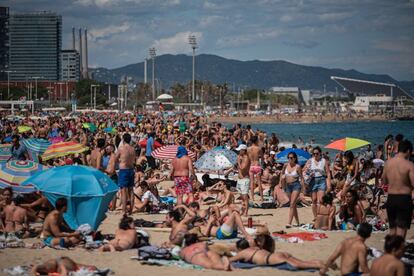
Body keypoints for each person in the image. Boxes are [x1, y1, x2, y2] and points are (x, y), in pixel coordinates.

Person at [229, 234, 324, 269]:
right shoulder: (256, 249)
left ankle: (318, 265)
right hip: (277, 255)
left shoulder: (244, 252)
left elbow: (230, 260)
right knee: (303, 262)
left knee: (298, 265)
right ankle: (318, 262)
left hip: (272, 258)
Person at [382, 139, 414, 239]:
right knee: (401, 229)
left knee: (392, 229)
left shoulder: (388, 163)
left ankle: (391, 252)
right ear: (408, 151)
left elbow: (384, 181)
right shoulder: (409, 165)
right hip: (404, 198)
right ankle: (398, 251)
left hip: (391, 198)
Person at [304, 146, 331, 219]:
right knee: (314, 200)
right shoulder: (310, 160)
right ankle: (315, 217)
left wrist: (329, 183)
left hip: (322, 180)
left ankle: (319, 216)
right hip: (312, 181)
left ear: (320, 153)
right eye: (314, 154)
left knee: (321, 200)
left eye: (317, 153)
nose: (315, 155)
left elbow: (328, 173)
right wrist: (309, 174)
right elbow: (304, 171)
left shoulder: (324, 161)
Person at [280, 151, 305, 228]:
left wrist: (303, 190)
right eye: (288, 158)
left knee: (292, 204)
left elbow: (301, 178)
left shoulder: (298, 167)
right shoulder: (285, 165)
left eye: (291, 158)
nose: (289, 159)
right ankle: (297, 222)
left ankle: (289, 223)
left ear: (295, 158)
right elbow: (282, 174)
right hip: (288, 186)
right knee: (293, 205)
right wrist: (281, 183)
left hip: (296, 185)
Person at [116, 133, 136, 215]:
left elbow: (116, 158)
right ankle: (131, 210)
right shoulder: (132, 149)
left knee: (123, 191)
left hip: (123, 170)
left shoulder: (121, 148)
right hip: (131, 169)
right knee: (131, 190)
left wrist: (120, 161)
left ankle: (124, 210)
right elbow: (134, 160)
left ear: (123, 140)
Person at [31, 256, 97, 276]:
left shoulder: (77, 268)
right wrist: (62, 266)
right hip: (58, 263)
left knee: (48, 267)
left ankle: (36, 268)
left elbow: (94, 267)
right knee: (48, 267)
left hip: (60, 263)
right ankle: (35, 268)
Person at [247, 136, 264, 201]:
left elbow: (248, 159)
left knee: (252, 182)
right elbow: (262, 159)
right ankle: (262, 198)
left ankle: (252, 198)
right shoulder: (259, 148)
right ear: (256, 141)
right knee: (259, 182)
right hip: (257, 166)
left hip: (251, 166)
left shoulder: (248, 149)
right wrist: (262, 166)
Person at [236, 144, 251, 216]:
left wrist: (238, 161)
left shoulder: (246, 158)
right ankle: (243, 210)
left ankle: (246, 212)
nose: (238, 152)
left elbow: (242, 168)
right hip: (240, 179)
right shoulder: (241, 157)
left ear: (243, 151)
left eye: (240, 150)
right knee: (242, 197)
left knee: (245, 197)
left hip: (244, 179)